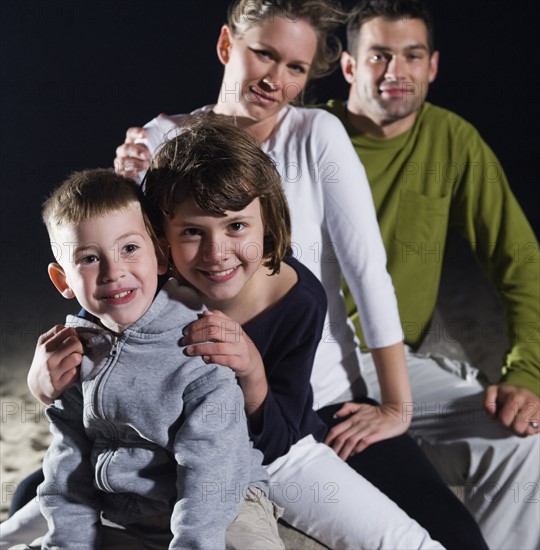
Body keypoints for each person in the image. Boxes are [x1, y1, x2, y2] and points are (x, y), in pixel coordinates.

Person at [3, 2, 488, 548]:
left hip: (310, 399)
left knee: (447, 536)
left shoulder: (313, 147)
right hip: (177, 415)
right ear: (227, 45)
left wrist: (396, 407)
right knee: (39, 499)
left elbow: (367, 273)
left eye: (296, 68)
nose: (276, 78)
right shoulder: (163, 146)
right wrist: (44, 386)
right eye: (264, 53)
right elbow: (110, 275)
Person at [319, 0, 539, 548]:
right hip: (316, 360)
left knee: (520, 442)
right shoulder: (312, 134)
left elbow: (521, 262)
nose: (397, 72)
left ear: (432, 66)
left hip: (394, 366)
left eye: (411, 56)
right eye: (380, 56)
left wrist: (528, 372)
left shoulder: (452, 140)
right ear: (349, 66)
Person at [31, 168, 283, 549]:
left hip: (224, 502)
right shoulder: (75, 353)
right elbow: (67, 467)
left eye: (129, 249)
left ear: (160, 256)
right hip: (129, 509)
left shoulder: (196, 350)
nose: (114, 272)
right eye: (88, 258)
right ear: (63, 280)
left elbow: (210, 472)